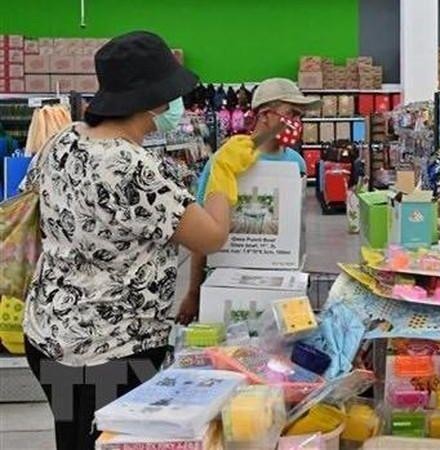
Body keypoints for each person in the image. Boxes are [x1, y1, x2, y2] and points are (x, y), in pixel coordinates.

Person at [21, 31, 259, 450]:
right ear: (155, 101)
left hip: (48, 333)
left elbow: (39, 209)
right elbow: (211, 236)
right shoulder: (135, 168)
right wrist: (222, 172)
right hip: (111, 348)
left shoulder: (62, 141)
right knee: (106, 438)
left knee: (73, 434)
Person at [177, 78, 319, 324]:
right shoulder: (225, 162)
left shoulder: (297, 164)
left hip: (278, 284)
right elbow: (201, 236)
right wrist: (194, 293)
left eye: (300, 116)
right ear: (265, 114)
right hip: (227, 284)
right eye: (292, 114)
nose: (298, 123)